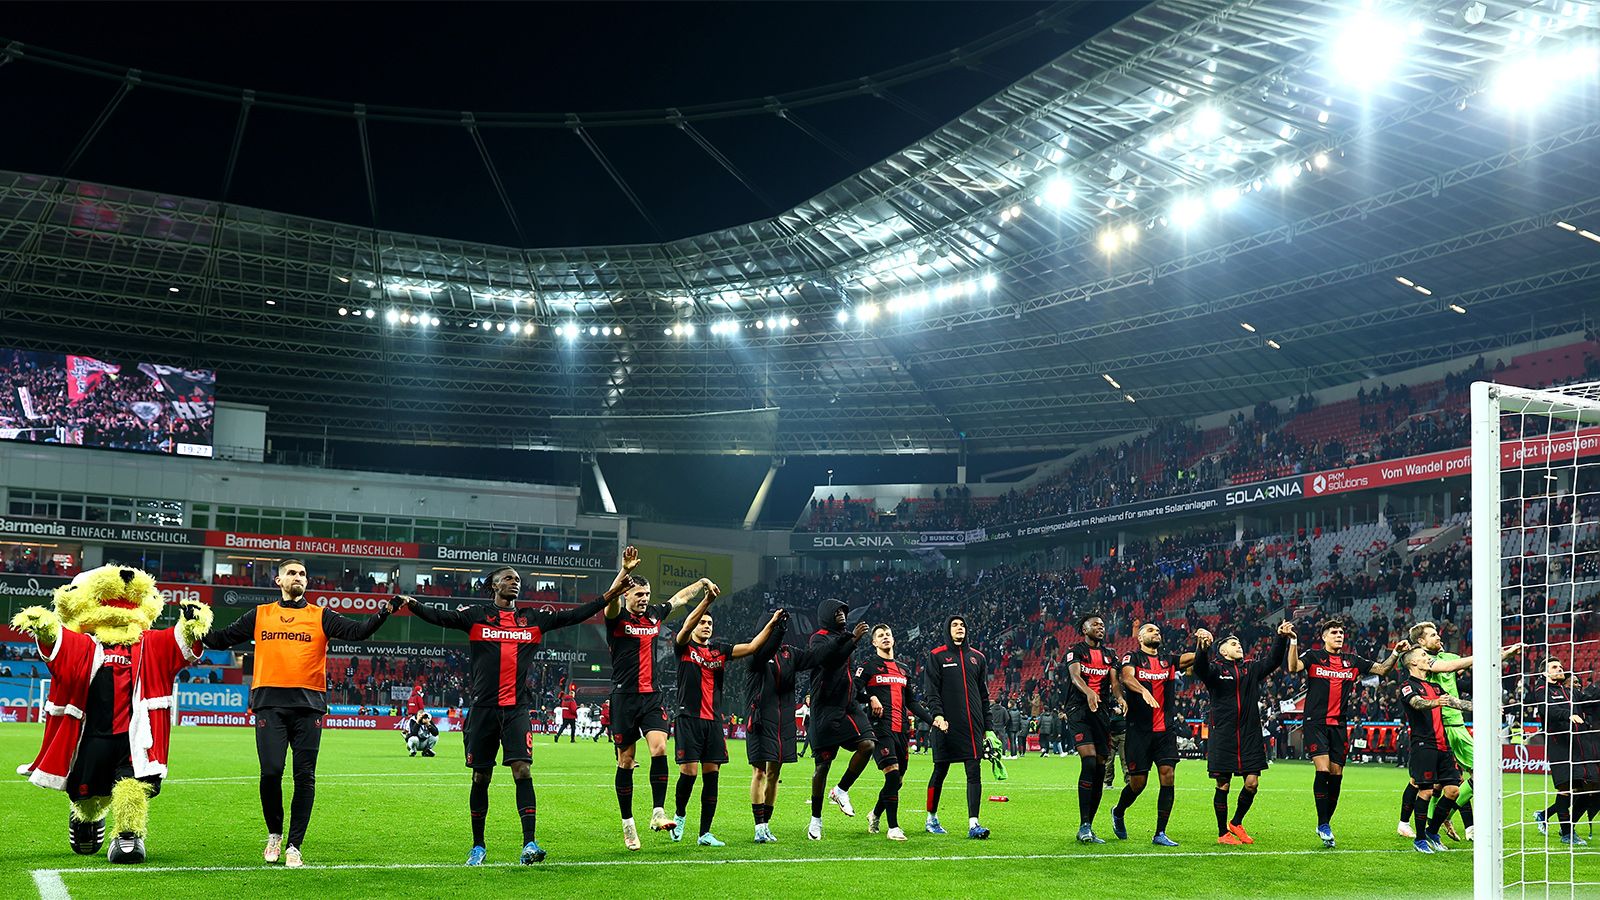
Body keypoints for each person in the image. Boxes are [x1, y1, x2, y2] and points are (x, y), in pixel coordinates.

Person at [395, 557, 618, 866]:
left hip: (516, 710)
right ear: (494, 585)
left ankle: (529, 843)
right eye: (509, 578)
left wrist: (611, 593)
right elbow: (441, 617)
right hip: (483, 710)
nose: (515, 582)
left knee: (522, 770)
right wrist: (412, 604)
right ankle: (478, 846)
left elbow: (574, 615)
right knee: (481, 776)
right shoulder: (476, 616)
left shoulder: (532, 618)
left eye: (517, 579)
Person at [202, 558, 394, 868]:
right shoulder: (260, 614)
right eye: (291, 573)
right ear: (278, 580)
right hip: (269, 703)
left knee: (304, 776)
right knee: (271, 772)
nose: (298, 577)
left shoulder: (321, 616)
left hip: (308, 705)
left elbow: (358, 632)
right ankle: (274, 834)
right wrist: (192, 625)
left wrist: (384, 612)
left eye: (303, 573)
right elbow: (221, 639)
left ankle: (295, 845)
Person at [605, 553, 719, 850]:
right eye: (639, 594)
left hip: (651, 696)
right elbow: (610, 599)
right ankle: (628, 824)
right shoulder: (616, 617)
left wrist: (701, 583)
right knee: (626, 760)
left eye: (647, 594)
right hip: (624, 697)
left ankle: (658, 812)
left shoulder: (654, 615)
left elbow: (679, 598)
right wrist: (623, 573)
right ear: (627, 595)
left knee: (659, 748)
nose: (644, 599)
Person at [669, 593, 783, 847]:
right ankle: (680, 816)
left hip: (713, 722)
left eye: (709, 623)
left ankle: (705, 833)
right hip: (688, 718)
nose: (706, 626)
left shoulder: (719, 650)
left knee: (712, 776)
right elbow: (686, 627)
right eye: (702, 622)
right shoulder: (683, 646)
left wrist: (772, 624)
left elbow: (752, 647)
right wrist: (707, 602)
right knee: (689, 773)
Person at [1286, 617, 1405, 848]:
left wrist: (1396, 653)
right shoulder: (1313, 656)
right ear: (1324, 637)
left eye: (1341, 632)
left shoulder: (1352, 661)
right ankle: (1323, 824)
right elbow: (1293, 667)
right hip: (1315, 722)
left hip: (1339, 725)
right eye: (1334, 633)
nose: (1339, 636)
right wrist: (1293, 641)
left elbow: (1382, 669)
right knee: (1323, 770)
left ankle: (1325, 823)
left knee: (1336, 775)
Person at [1398, 623, 1520, 842]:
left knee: (1457, 780)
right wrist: (1489, 654)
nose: (1439, 637)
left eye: (1437, 633)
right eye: (1433, 635)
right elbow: (1449, 667)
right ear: (1421, 642)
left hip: (1457, 723)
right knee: (1427, 783)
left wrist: (1502, 656)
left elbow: (1467, 671)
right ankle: (1414, 823)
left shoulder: (1445, 657)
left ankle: (1441, 818)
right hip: (1438, 727)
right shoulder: (1425, 661)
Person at [1192, 621, 1292, 845]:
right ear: (1222, 651)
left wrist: (1280, 637)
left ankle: (1236, 822)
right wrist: (1202, 648)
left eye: (1239, 643)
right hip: (1223, 734)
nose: (1238, 646)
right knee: (1223, 785)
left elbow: (1273, 661)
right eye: (1233, 644)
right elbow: (1200, 668)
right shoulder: (1216, 669)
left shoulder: (1250, 668)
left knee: (1252, 784)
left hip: (1249, 735)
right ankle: (1222, 833)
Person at [1111, 622, 1197, 847]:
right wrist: (1143, 691)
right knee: (1138, 784)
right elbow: (1127, 678)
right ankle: (1118, 811)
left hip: (1165, 731)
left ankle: (1160, 832)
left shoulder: (1168, 660)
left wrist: (1204, 643)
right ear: (1140, 638)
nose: (1156, 632)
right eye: (1150, 630)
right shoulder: (1132, 657)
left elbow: (1193, 658)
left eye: (1158, 630)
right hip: (1139, 731)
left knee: (1168, 776)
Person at [856, 624, 936, 842]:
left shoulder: (903, 669)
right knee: (891, 775)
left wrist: (933, 720)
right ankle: (893, 827)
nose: (885, 637)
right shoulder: (868, 666)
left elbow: (911, 702)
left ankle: (874, 814)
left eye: (888, 634)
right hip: (880, 728)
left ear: (893, 639)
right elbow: (852, 691)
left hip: (902, 730)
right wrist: (870, 698)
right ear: (874, 642)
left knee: (897, 781)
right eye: (880, 635)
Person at [804, 598, 875, 841]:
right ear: (826, 615)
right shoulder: (818, 638)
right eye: (836, 612)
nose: (842, 615)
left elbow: (845, 672)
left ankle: (841, 789)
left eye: (844, 611)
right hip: (825, 708)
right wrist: (853, 640)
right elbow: (829, 660)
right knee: (822, 767)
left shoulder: (845, 637)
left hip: (848, 706)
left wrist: (865, 695)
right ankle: (815, 819)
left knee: (868, 745)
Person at [922, 614, 997, 840]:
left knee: (974, 772)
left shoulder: (978, 657)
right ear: (948, 629)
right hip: (945, 725)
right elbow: (931, 691)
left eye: (962, 625)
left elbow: (983, 695)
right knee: (940, 771)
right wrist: (937, 715)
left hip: (972, 727)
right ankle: (931, 818)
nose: (959, 628)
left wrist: (988, 728)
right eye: (954, 625)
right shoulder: (937, 656)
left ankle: (974, 823)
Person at [1398, 647, 1474, 853]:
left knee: (1453, 791)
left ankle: (1432, 832)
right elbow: (1417, 703)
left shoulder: (1435, 686)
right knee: (1426, 791)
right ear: (1413, 662)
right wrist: (1435, 702)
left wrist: (1485, 707)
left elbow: (1456, 703)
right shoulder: (1407, 686)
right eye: (1423, 655)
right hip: (1424, 745)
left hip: (1443, 745)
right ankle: (1420, 839)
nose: (1427, 658)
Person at [1062, 611, 1125, 844]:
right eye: (1095, 624)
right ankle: (1083, 825)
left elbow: (1115, 683)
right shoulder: (1075, 651)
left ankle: (1088, 825)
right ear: (1084, 629)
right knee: (1088, 760)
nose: (1100, 627)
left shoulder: (1110, 655)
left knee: (1099, 768)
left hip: (1101, 713)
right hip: (1079, 710)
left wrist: (1120, 698)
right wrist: (1089, 691)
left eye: (1102, 625)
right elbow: (1075, 677)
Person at [1531, 658, 1596, 845]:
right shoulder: (1542, 690)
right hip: (1559, 745)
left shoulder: (1569, 691)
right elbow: (1547, 710)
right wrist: (1568, 715)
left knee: (1588, 789)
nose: (1560, 669)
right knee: (1566, 789)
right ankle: (1567, 833)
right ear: (1545, 673)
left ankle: (1555, 821)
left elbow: (1588, 701)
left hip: (1579, 746)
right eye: (1554, 667)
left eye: (1560, 666)